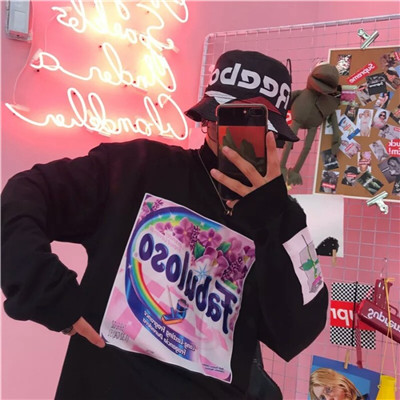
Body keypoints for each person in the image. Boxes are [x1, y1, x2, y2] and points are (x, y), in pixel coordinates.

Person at [1, 50, 328, 400]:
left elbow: (299, 329)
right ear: (206, 120)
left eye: (256, 126)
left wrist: (272, 218)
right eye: (227, 119)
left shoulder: (283, 217)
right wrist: (45, 290)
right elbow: (25, 194)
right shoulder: (137, 167)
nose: (237, 138)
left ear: (274, 136)